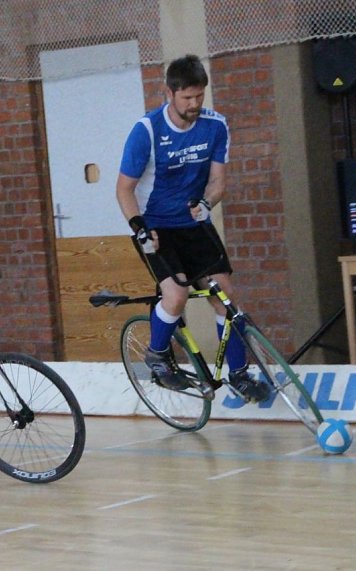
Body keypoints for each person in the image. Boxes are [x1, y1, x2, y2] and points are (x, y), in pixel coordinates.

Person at [115, 54, 270, 403]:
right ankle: (156, 354)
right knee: (177, 294)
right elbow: (124, 188)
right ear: (169, 93)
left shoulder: (216, 126)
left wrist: (207, 203)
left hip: (193, 222)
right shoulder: (147, 131)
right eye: (187, 98)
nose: (194, 104)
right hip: (154, 225)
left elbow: (217, 182)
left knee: (226, 296)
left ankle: (240, 374)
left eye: (200, 96)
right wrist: (139, 228)